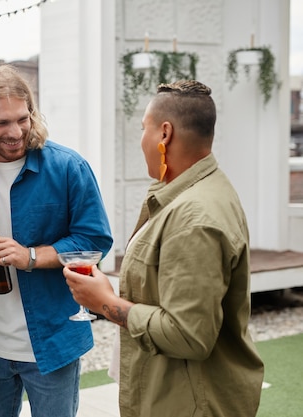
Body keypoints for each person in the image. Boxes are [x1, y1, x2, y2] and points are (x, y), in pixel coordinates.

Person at [63, 80, 264, 416]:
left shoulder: (194, 217)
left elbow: (188, 336)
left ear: (164, 134)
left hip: (190, 402)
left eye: (144, 128)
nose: (141, 139)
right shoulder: (194, 192)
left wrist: (105, 303)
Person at [0, 65, 113, 417]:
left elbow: (95, 239)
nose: (16, 132)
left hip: (51, 343)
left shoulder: (68, 167)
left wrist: (31, 256)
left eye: (23, 118)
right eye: (1, 123)